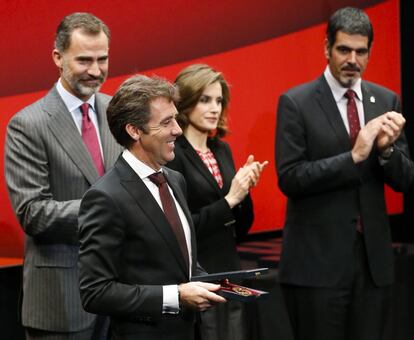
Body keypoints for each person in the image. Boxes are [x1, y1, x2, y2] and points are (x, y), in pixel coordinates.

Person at [275, 7, 414, 340]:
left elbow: (406, 178)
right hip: (317, 269)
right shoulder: (296, 102)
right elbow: (290, 178)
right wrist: (352, 158)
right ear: (327, 48)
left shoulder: (386, 99)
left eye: (361, 51)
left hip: (373, 266)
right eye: (344, 50)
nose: (353, 59)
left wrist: (387, 151)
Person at [78, 75, 226, 340]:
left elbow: (178, 260)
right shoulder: (105, 197)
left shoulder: (175, 180)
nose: (178, 130)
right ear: (134, 130)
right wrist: (176, 296)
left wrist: (212, 282)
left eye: (176, 119)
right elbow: (95, 292)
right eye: (166, 122)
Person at [5, 13, 121, 339]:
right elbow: (34, 214)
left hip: (122, 295)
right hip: (61, 301)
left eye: (103, 59)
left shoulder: (117, 112)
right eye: (84, 60)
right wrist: (114, 208)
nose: (96, 71)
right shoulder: (28, 124)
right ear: (58, 57)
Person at [167, 64, 267, 340]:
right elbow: (182, 228)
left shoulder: (222, 149)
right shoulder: (173, 155)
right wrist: (231, 198)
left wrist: (244, 193)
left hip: (229, 272)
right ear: (185, 104)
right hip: (195, 279)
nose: (215, 108)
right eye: (205, 99)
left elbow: (241, 228)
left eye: (219, 100)